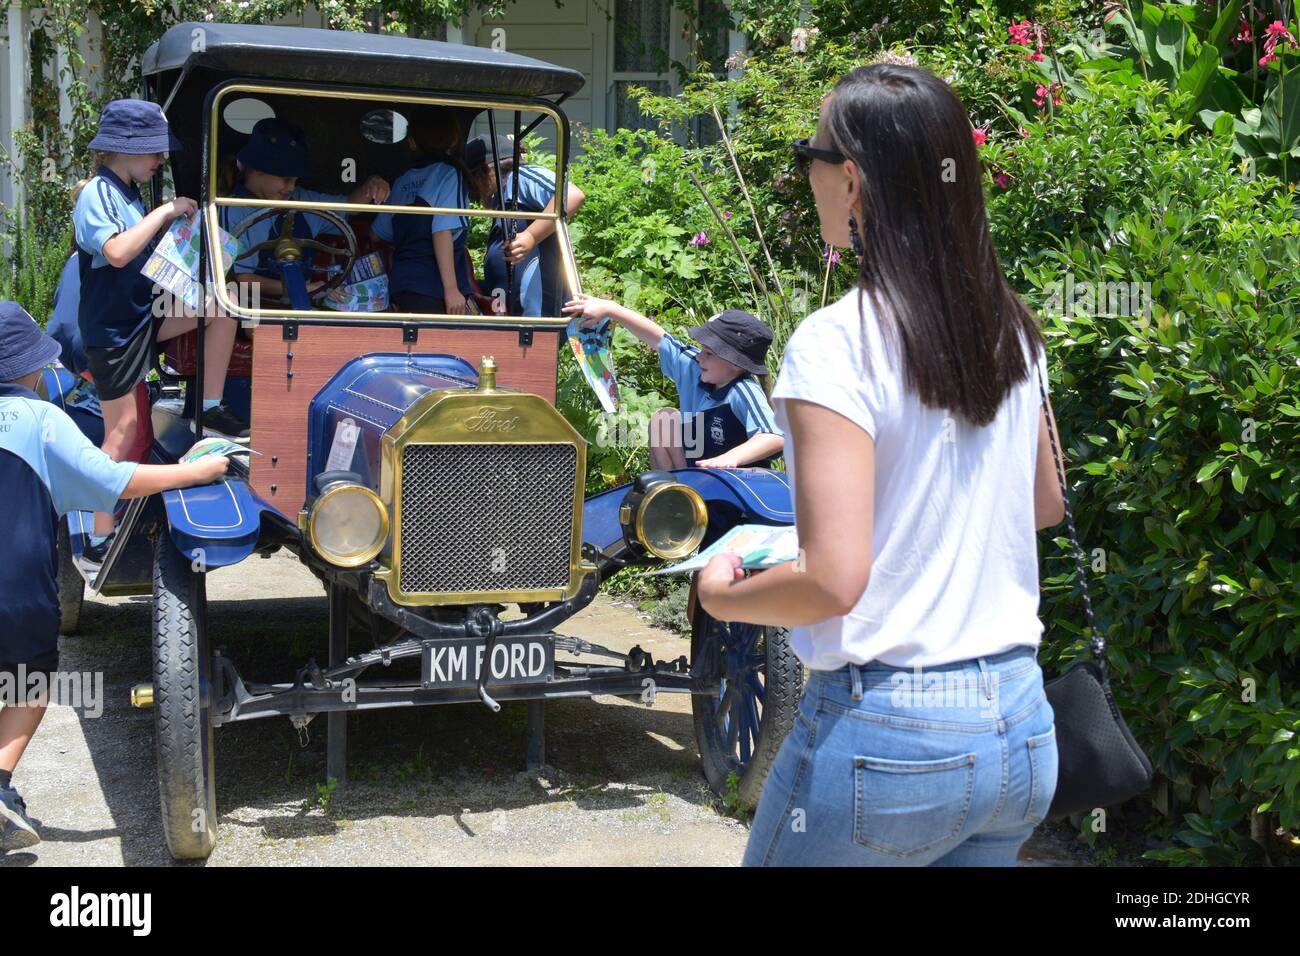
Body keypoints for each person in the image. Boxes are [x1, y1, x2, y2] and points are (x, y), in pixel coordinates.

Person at [696, 64, 1067, 866]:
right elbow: (1044, 503)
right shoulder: (1013, 328)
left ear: (853, 181)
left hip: (889, 736)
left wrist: (724, 597)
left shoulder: (836, 343)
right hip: (1019, 726)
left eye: (812, 155)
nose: (810, 175)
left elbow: (833, 580)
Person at [0, 301, 228, 850]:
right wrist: (194, 471)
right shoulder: (39, 418)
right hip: (17, 590)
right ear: (25, 370)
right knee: (30, 676)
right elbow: (113, 479)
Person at [72, 99, 242, 562]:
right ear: (125, 149)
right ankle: (98, 537)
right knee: (122, 431)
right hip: (112, 331)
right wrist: (166, 212)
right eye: (153, 153)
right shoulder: (98, 194)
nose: (160, 161)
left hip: (141, 317)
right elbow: (118, 252)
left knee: (226, 305)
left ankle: (210, 404)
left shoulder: (127, 193)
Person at [562, 294, 783, 468]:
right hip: (697, 473)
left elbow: (774, 437)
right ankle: (672, 496)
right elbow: (659, 338)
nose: (699, 357)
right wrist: (612, 310)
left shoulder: (744, 390)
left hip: (735, 484)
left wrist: (730, 459)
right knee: (664, 418)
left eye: (709, 353)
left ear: (734, 364)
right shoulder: (696, 368)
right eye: (702, 350)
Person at [218, 117, 389, 302]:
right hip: (252, 309)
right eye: (286, 179)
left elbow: (350, 207)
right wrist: (302, 288)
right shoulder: (231, 210)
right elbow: (241, 280)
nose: (291, 188)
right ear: (259, 170)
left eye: (295, 180)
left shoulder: (299, 199)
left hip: (303, 303)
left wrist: (372, 185)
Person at [371, 108, 477, 315]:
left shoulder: (401, 179)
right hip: (434, 287)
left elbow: (376, 234)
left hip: (401, 283)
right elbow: (441, 231)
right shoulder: (448, 173)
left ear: (411, 142)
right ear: (454, 139)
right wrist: (451, 290)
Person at [468, 134, 586, 317]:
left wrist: (531, 235)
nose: (473, 193)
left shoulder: (520, 177)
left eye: (472, 183)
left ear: (485, 172)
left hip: (538, 310)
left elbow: (571, 195)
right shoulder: (501, 198)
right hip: (514, 311)